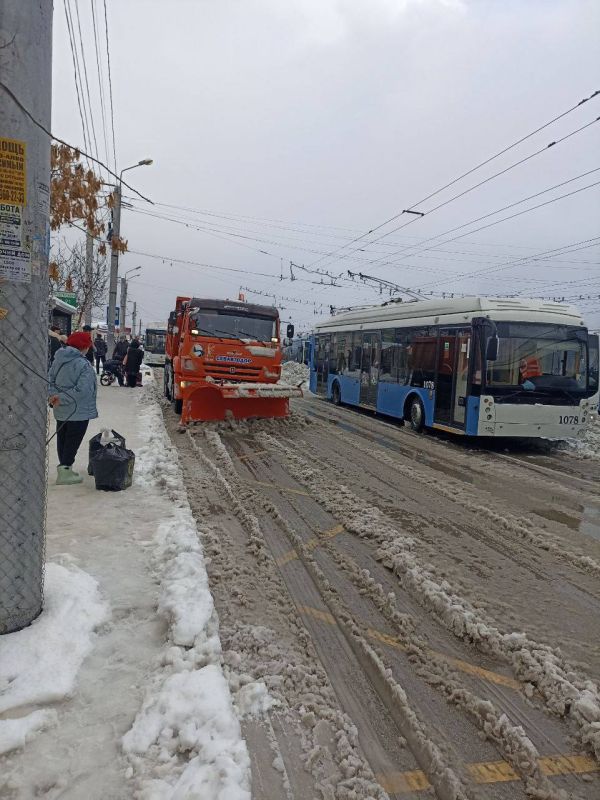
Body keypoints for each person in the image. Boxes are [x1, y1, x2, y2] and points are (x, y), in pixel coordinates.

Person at [48, 331, 98, 485]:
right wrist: (61, 398)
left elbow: (49, 380)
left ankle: (65, 469)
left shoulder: (58, 360)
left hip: (60, 409)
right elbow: (83, 390)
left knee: (63, 439)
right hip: (78, 411)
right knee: (72, 441)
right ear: (84, 347)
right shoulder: (83, 365)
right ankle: (65, 472)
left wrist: (55, 397)